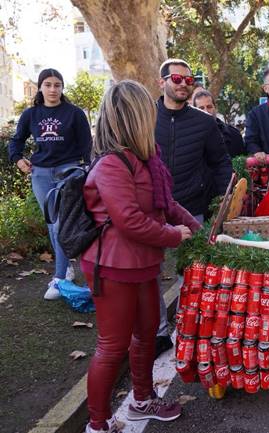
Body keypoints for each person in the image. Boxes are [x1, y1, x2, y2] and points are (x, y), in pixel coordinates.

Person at [82, 80, 201, 433]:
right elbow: (129, 220)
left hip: (142, 262)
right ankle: (98, 423)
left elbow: (166, 203)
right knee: (112, 345)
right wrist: (173, 236)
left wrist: (195, 227)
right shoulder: (111, 165)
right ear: (133, 117)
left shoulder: (146, 159)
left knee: (147, 332)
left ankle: (141, 400)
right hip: (113, 264)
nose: (155, 116)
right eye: (149, 111)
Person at [155, 58, 232, 355]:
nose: (184, 84)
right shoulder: (144, 115)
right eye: (177, 79)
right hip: (151, 212)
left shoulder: (204, 122)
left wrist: (223, 205)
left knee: (192, 275)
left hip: (191, 208)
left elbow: (221, 163)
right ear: (162, 81)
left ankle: (192, 329)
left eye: (190, 80)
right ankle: (159, 334)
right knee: (150, 280)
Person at [8, 68, 92, 300]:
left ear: (62, 88)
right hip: (41, 174)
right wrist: (18, 160)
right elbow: (16, 141)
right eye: (48, 84)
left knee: (59, 224)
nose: (53, 89)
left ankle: (59, 278)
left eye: (57, 85)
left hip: (69, 172)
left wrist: (88, 169)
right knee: (51, 223)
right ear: (40, 87)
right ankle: (65, 267)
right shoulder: (31, 114)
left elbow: (87, 145)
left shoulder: (74, 113)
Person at [192, 89, 245, 157]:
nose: (206, 111)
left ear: (215, 108)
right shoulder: (188, 138)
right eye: (201, 108)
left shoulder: (234, 134)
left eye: (209, 107)